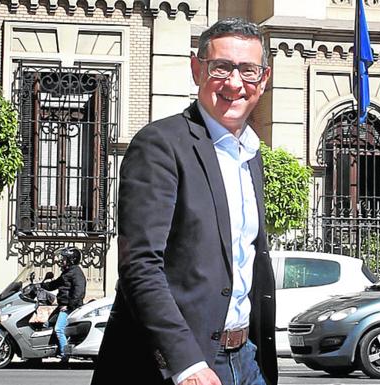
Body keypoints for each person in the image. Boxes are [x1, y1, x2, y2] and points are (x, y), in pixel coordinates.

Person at [91, 17, 277, 385]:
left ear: (264, 79)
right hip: (183, 368)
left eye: (248, 70)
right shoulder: (160, 145)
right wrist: (186, 364)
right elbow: (140, 266)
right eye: (221, 67)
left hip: (245, 360)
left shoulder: (250, 154)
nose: (235, 83)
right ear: (197, 69)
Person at [42, 246, 86, 363]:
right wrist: (41, 285)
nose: (61, 260)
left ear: (72, 260)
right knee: (47, 325)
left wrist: (69, 306)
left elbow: (79, 291)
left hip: (69, 307)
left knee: (59, 329)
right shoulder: (67, 272)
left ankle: (64, 355)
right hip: (62, 305)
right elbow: (56, 284)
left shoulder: (76, 273)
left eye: (64, 258)